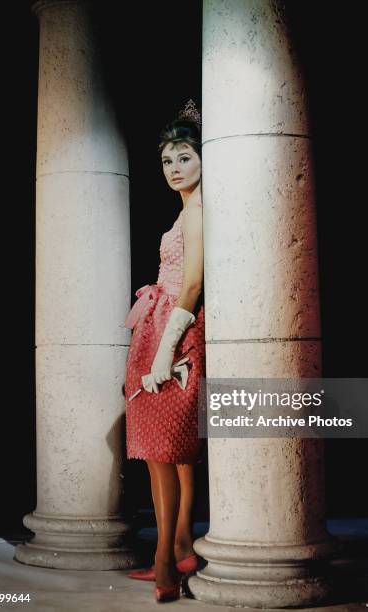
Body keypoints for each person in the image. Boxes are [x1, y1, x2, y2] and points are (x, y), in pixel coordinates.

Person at [123, 100, 205, 603]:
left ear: (202, 160)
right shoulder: (183, 212)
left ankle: (164, 562)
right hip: (157, 332)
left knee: (169, 449)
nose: (174, 169)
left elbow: (192, 284)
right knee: (164, 454)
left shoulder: (198, 211)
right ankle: (176, 550)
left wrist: (162, 353)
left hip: (177, 337)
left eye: (184, 158)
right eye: (167, 161)